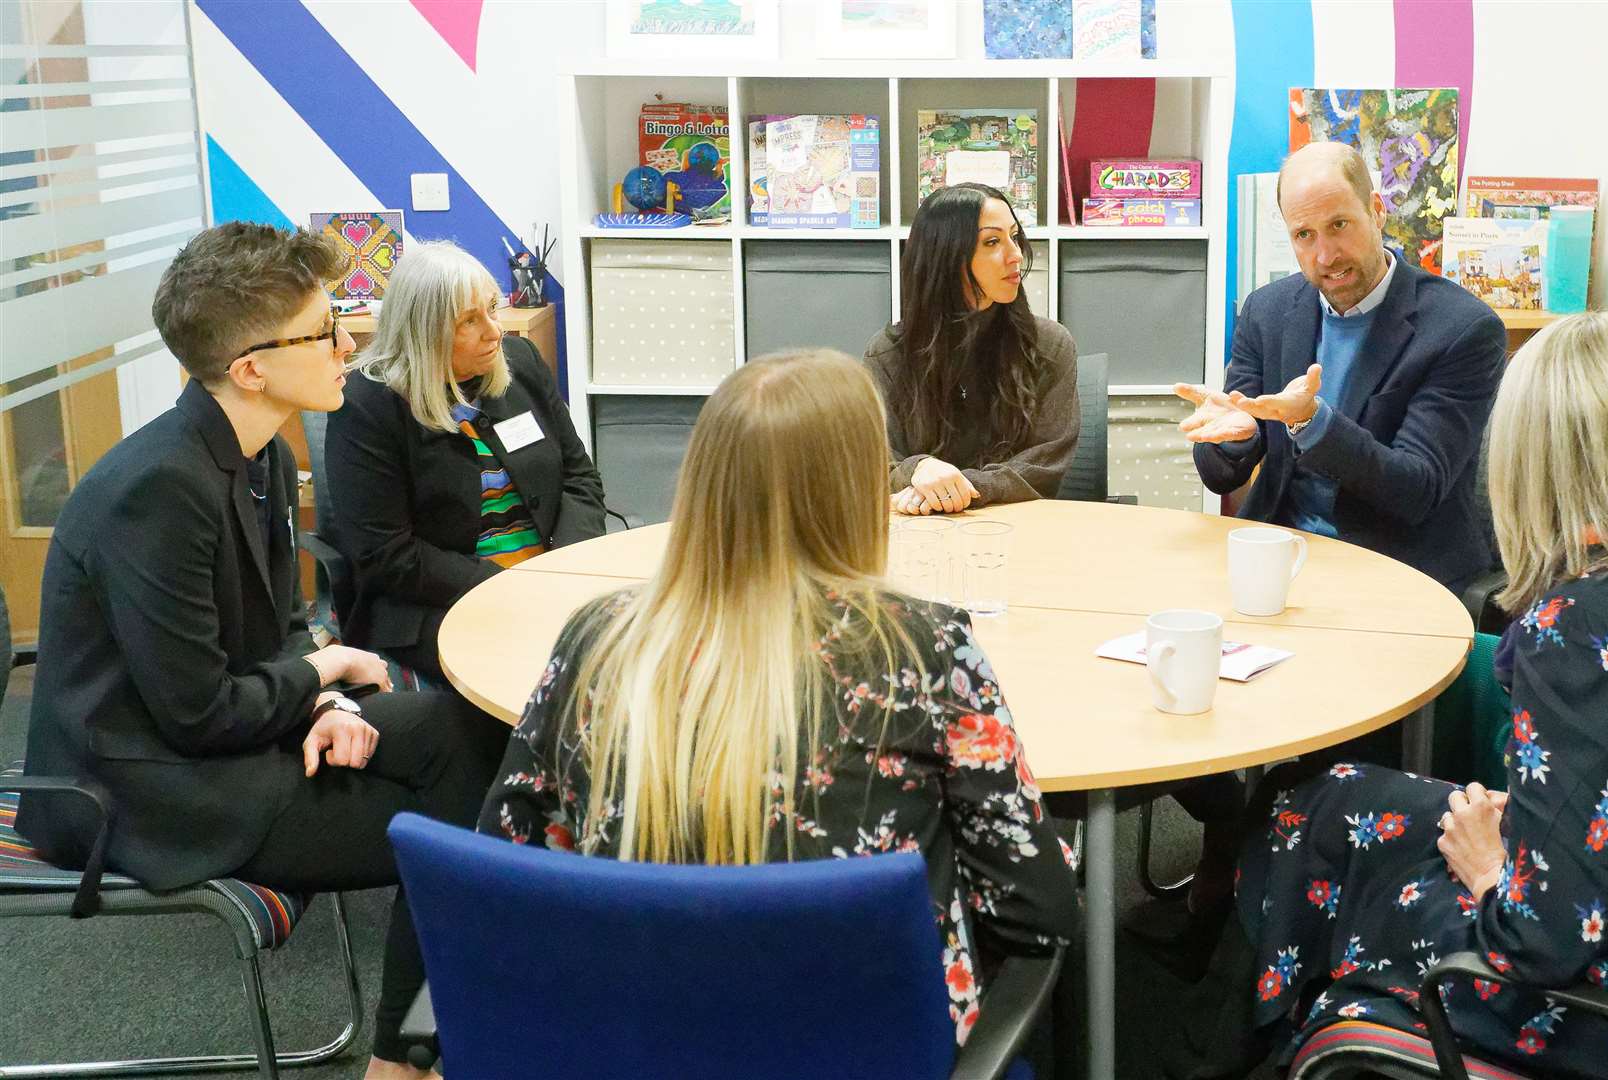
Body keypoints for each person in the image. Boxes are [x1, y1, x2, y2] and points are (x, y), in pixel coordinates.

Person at [1233, 311, 1608, 1078]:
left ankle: (1284, 1032)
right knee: (1325, 799)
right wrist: (1522, 829)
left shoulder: (1585, 626)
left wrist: (1492, 867)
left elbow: (1542, 939)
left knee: (1336, 868)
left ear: (1535, 458)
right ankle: (1250, 1029)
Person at [17, 222, 507, 1080]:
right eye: (324, 331)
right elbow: (198, 713)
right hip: (150, 786)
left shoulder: (257, 452)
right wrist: (324, 673)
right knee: (464, 825)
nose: (348, 343)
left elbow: (278, 623)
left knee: (473, 737)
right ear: (250, 368)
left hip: (232, 728)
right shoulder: (158, 491)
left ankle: (409, 1049)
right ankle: (402, 1060)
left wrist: (322, 702)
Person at [477, 349, 1079, 1045]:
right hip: (867, 1047)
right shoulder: (922, 649)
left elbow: (512, 874)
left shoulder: (594, 641)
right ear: (856, 493)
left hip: (635, 1039)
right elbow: (1037, 912)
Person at [1177, 141, 1506, 592]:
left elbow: (1416, 489)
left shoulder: (1462, 329)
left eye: (1339, 225)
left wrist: (1311, 422)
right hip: (1280, 559)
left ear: (1376, 210)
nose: (1325, 255)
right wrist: (1240, 438)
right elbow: (1220, 477)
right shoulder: (1267, 312)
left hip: (1396, 571)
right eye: (1304, 235)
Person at [326, 240, 606, 681]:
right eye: (469, 321)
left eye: (492, 309)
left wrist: (564, 569)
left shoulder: (520, 362)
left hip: (549, 580)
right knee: (549, 675)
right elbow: (387, 555)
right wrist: (507, 586)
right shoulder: (368, 407)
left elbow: (579, 478)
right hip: (442, 602)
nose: (494, 331)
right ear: (425, 330)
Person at [864, 182, 1079, 514]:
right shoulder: (888, 354)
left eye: (1014, 236)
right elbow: (874, 457)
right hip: (921, 533)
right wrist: (918, 468)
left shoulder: (1049, 345)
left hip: (1020, 530)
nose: (1016, 254)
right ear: (946, 256)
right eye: (992, 242)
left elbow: (1044, 466)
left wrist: (958, 488)